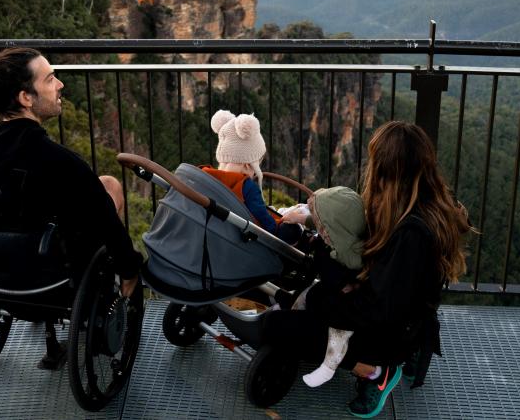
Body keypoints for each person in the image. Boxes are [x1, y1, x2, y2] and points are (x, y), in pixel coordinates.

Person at [261, 121, 472, 418]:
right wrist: (316, 225)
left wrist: (328, 284)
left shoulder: (412, 234)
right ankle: (391, 354)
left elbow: (380, 309)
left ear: (386, 170)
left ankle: (375, 370)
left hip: (390, 328)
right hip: (397, 313)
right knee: (313, 300)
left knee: (276, 325)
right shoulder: (414, 206)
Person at [0, 44, 142, 297]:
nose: (60, 85)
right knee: (109, 186)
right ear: (26, 98)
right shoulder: (61, 162)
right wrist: (130, 268)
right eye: (50, 79)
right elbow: (107, 226)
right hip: (53, 283)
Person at [282, 186, 366, 388]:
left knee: (338, 330)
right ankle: (291, 314)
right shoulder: (338, 233)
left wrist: (353, 284)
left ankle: (329, 366)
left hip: (344, 302)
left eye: (323, 226)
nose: (321, 230)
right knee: (307, 296)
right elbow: (326, 222)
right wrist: (300, 218)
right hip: (327, 289)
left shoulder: (352, 254)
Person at [200, 109, 279, 233]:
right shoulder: (247, 187)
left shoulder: (204, 176)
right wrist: (277, 229)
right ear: (248, 165)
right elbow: (262, 216)